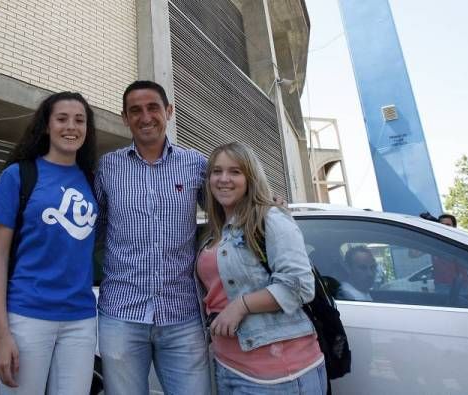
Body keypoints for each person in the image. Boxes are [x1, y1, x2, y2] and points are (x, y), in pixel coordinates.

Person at [94, 80, 211, 394]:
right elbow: (93, 232)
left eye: (153, 108)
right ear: (125, 118)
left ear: (169, 111)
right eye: (135, 111)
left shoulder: (196, 165)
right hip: (121, 314)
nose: (145, 117)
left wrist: (267, 205)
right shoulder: (108, 167)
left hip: (182, 315)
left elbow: (229, 213)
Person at [0, 92, 98, 394]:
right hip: (27, 314)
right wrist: (1, 334)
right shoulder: (18, 175)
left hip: (81, 319)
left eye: (79, 120)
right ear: (46, 126)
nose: (71, 127)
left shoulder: (93, 181)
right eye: (62, 119)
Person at [196, 142, 326, 394]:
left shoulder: (271, 219)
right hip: (228, 366)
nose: (224, 179)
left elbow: (299, 285)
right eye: (216, 171)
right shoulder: (214, 232)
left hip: (279, 375)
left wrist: (240, 305)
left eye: (235, 171)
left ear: (250, 177)